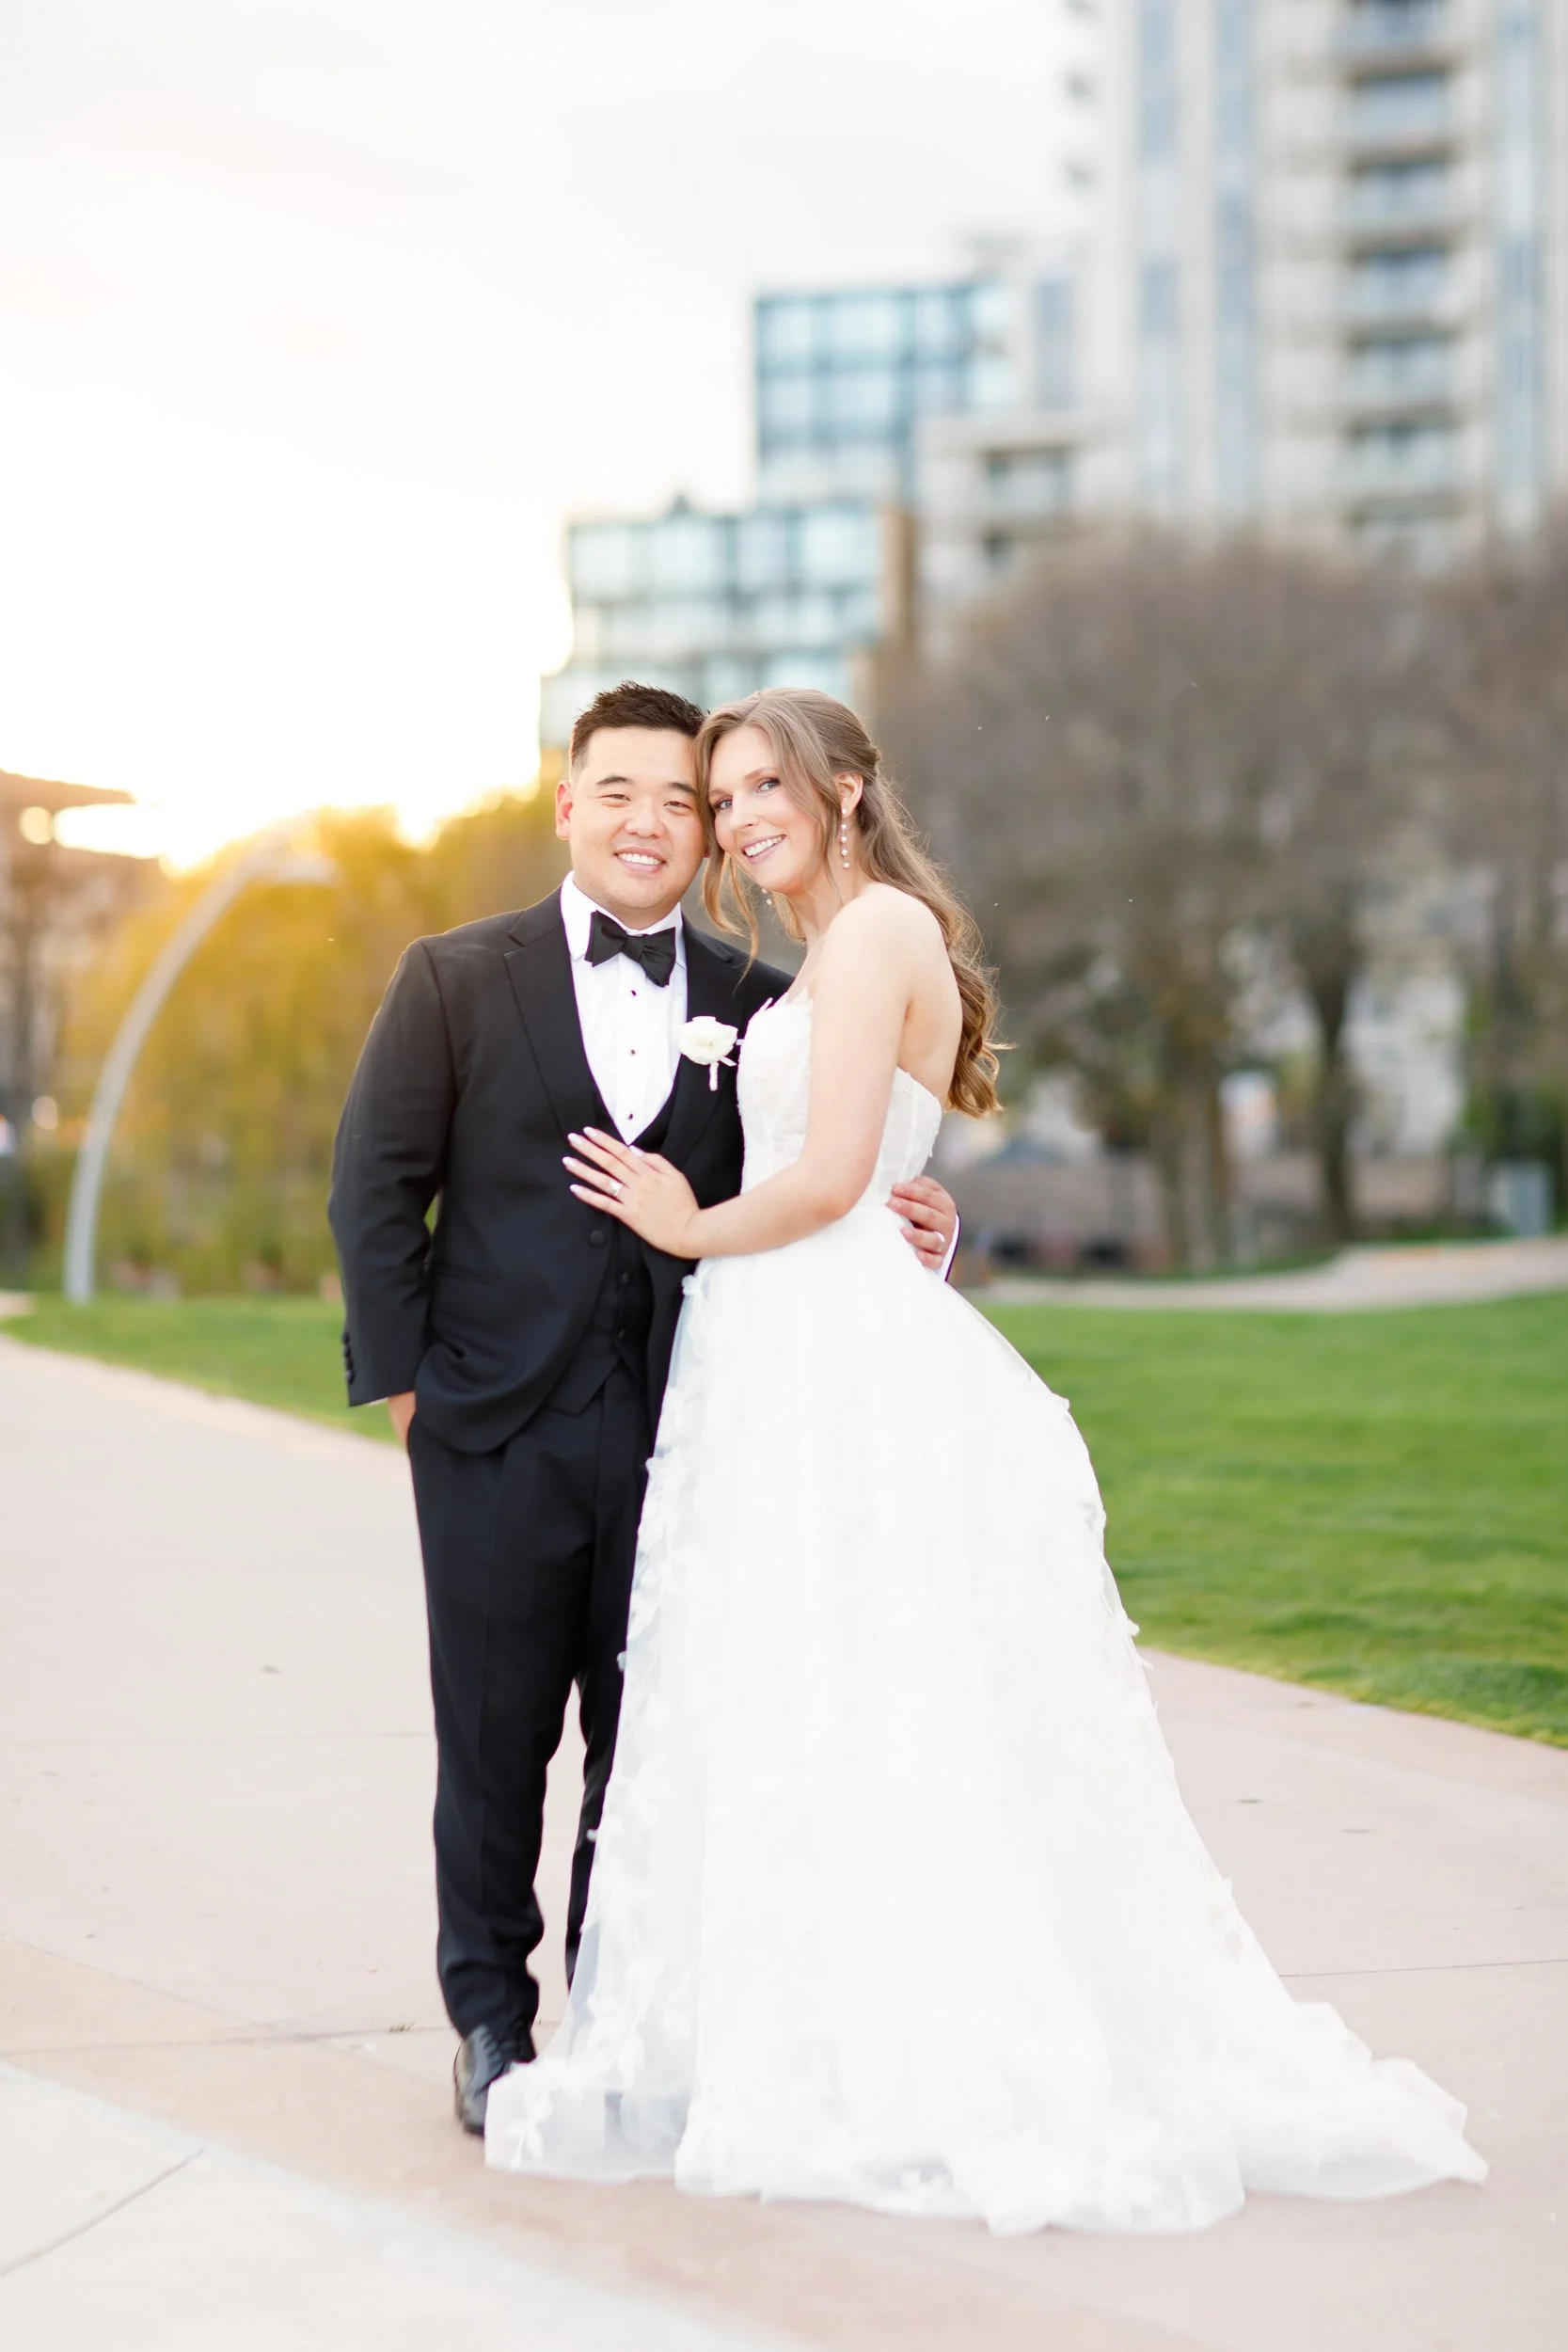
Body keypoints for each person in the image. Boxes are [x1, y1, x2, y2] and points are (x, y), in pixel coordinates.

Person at [483, 686, 1486, 2233]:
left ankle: (897, 2050)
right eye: (724, 793)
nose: (742, 816)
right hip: (792, 1338)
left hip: (813, 1342)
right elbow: (875, 1165)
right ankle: (802, 2019)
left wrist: (685, 1225)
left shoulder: (872, 934)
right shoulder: (840, 949)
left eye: (766, 785)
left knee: (863, 1689)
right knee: (810, 1691)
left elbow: (824, 1179)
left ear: (847, 787)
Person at [328, 681, 958, 2137]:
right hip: (487, 1430)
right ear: (566, 805)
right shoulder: (453, 976)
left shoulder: (761, 998)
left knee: (652, 1738)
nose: (655, 822)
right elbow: (375, 1190)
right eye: (621, 791)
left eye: (685, 800)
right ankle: (490, 2018)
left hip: (691, 1431)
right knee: (490, 1745)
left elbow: (828, 1158)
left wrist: (913, 1212)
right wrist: (411, 1390)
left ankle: (614, 2016)